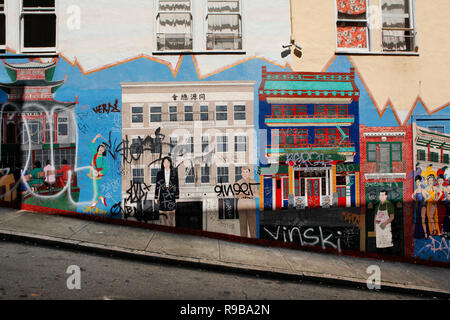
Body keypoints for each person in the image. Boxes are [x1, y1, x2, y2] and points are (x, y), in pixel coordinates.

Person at [154, 156, 179, 227]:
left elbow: (177, 185)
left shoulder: (174, 172)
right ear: (163, 164)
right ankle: (165, 225)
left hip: (172, 194)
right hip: (162, 194)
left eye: (168, 162)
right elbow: (157, 186)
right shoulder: (159, 173)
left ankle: (171, 224)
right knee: (163, 210)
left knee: (171, 210)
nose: (166, 164)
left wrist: (177, 196)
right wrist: (156, 197)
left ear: (170, 163)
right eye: (164, 162)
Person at [236, 166, 259, 238]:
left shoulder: (254, 182)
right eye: (243, 172)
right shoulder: (238, 183)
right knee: (243, 225)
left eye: (246, 172)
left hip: (251, 203)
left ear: (249, 173)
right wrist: (246, 193)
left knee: (253, 225)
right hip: (241, 203)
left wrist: (248, 194)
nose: (245, 173)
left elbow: (258, 194)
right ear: (241, 173)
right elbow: (236, 195)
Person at [88, 134, 108, 208]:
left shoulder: (103, 159)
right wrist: (96, 137)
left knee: (95, 188)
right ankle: (102, 198)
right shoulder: (94, 154)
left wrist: (100, 172)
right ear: (98, 148)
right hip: (91, 173)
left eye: (103, 148)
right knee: (94, 188)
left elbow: (106, 168)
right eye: (100, 147)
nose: (101, 148)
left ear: (104, 151)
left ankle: (95, 202)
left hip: (96, 175)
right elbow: (91, 146)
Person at [374, 189, 395, 254]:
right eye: (380, 195)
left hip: (386, 229)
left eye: (383, 195)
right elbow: (375, 218)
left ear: (386, 196)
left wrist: (385, 223)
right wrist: (375, 228)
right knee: (379, 247)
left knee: (388, 247)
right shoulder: (377, 206)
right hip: (379, 229)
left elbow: (392, 217)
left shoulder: (389, 205)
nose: (381, 197)